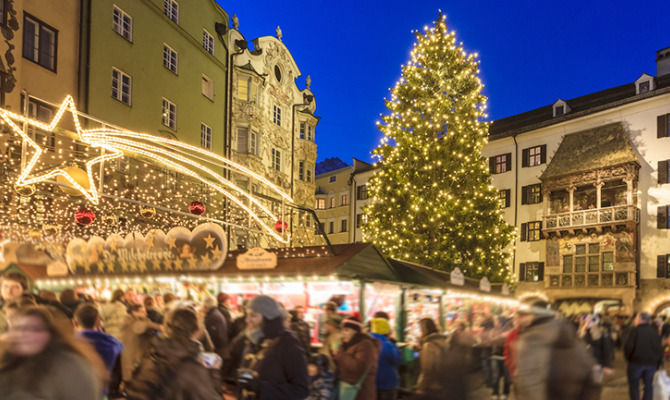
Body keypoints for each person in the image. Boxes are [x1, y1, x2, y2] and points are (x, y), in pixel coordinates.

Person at [0, 306, 105, 399]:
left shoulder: (71, 366)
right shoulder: (7, 363)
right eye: (18, 329)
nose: (24, 335)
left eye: (35, 329)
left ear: (51, 333)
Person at [124, 307, 221, 400]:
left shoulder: (146, 363)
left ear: (167, 329)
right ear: (196, 332)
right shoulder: (193, 370)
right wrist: (213, 374)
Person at [514, 301, 599, 400]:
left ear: (533, 315)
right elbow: (590, 370)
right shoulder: (568, 330)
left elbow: (529, 381)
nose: (518, 319)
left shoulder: (532, 338)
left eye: (524, 315)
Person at [236, 295, 309, 400]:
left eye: (253, 315)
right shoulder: (252, 341)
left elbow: (301, 390)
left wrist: (261, 388)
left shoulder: (288, 343)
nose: (247, 320)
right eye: (247, 315)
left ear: (268, 318)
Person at [74, 302, 124, 398]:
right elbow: (117, 378)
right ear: (98, 322)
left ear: (75, 322)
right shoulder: (113, 344)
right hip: (103, 394)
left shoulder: (67, 345)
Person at [414, 318, 466, 400]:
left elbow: (427, 369)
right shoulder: (444, 341)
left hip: (432, 387)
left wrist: (421, 387)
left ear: (425, 329)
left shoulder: (428, 345)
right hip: (446, 384)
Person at [333, 316, 379, 400]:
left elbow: (358, 367)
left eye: (346, 330)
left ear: (355, 332)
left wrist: (340, 355)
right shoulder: (346, 345)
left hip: (360, 392)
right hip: (348, 390)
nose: (343, 333)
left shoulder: (365, 345)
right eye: (342, 330)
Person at [624, 312, 663, 400]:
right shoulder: (654, 331)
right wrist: (659, 363)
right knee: (648, 385)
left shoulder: (634, 331)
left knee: (634, 385)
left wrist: (629, 359)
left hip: (636, 362)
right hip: (651, 364)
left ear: (640, 319)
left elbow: (628, 347)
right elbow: (659, 349)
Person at [120, 303, 163, 383]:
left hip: (139, 358)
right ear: (134, 312)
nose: (146, 314)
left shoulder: (143, 321)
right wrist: (158, 327)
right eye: (143, 312)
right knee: (133, 382)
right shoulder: (130, 321)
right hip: (133, 360)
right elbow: (138, 328)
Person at [370, 317, 401, 400]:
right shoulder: (389, 346)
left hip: (371, 383)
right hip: (387, 383)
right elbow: (397, 360)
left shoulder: (366, 342)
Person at [582, 315, 615, 382]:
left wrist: (607, 365)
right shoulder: (586, 332)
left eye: (588, 321)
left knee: (595, 384)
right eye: (586, 321)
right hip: (586, 363)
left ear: (595, 322)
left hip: (597, 363)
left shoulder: (602, 333)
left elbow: (607, 350)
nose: (586, 323)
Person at [202, 295, 229, 363]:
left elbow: (214, 337)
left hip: (217, 351)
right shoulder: (215, 313)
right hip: (220, 350)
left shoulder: (212, 317)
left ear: (206, 306)